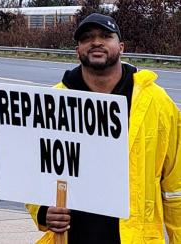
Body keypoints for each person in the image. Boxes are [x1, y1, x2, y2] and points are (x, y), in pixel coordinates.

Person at [26, 13, 181, 243]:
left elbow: (175, 186)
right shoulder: (54, 102)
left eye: (105, 36)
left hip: (136, 237)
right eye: (87, 37)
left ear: (121, 46)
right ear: (77, 50)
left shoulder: (156, 102)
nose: (96, 42)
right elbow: (33, 171)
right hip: (73, 237)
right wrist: (42, 211)